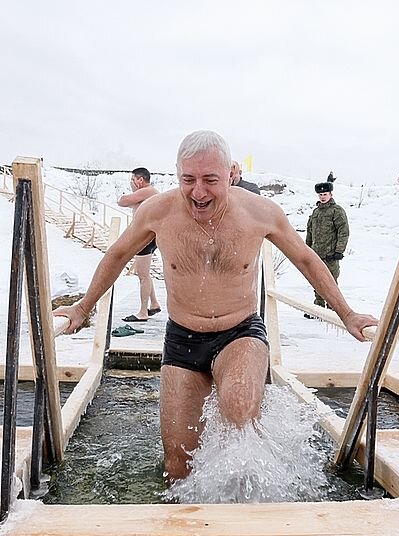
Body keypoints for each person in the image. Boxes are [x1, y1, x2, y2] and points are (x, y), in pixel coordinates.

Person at [55, 131, 377, 480]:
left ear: (230, 174)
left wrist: (346, 313)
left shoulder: (259, 212)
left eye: (210, 180)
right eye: (188, 180)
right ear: (176, 173)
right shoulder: (157, 213)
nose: (198, 192)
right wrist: (82, 307)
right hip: (182, 339)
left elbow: (306, 259)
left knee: (238, 410)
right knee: (177, 464)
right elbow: (117, 255)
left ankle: (252, 496)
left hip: (239, 333)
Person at [117, 167, 161, 322]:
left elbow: (122, 201)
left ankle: (143, 312)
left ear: (140, 180)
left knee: (142, 275)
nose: (131, 183)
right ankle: (154, 303)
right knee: (144, 273)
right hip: (147, 235)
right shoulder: (147, 194)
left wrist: (133, 192)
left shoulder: (147, 191)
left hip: (144, 237)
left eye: (132, 180)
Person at [304, 181, 349, 314]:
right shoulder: (316, 212)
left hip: (330, 255)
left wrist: (339, 251)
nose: (322, 197)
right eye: (320, 195)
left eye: (325, 194)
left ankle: (333, 309)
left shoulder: (337, 211)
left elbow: (343, 231)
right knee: (317, 280)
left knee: (331, 282)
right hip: (316, 254)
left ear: (330, 194)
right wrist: (307, 250)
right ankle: (318, 307)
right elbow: (310, 232)